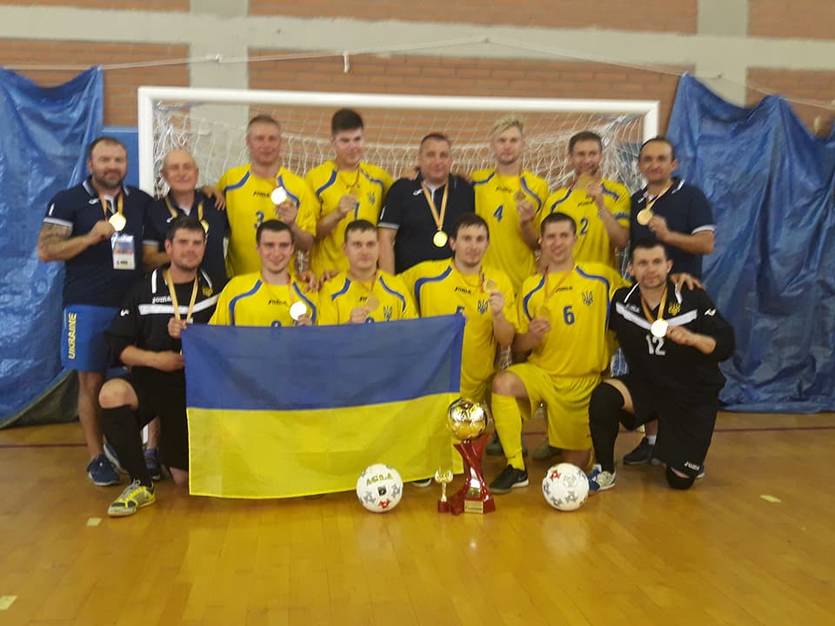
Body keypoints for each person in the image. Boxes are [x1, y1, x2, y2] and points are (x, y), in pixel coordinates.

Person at [37, 136, 152, 486]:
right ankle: (96, 457)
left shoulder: (141, 201)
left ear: (126, 164)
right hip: (85, 305)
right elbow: (46, 250)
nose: (112, 166)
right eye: (105, 159)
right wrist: (89, 238)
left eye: (118, 160)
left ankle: (123, 445)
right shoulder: (68, 200)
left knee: (133, 378)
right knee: (89, 381)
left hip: (131, 306)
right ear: (90, 164)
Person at [489, 212, 622, 494]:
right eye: (551, 236)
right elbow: (517, 345)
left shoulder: (601, 278)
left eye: (564, 236)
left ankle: (560, 439)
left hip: (582, 382)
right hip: (543, 374)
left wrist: (676, 278)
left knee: (574, 470)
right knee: (502, 383)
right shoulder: (531, 286)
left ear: (575, 239)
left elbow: (639, 294)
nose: (557, 242)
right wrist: (532, 336)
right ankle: (516, 466)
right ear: (541, 241)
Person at [587, 239, 734, 492]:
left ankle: (684, 453)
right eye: (642, 263)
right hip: (649, 387)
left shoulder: (692, 297)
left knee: (679, 481)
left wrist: (693, 339)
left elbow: (726, 344)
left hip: (692, 394)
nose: (650, 269)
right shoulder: (622, 301)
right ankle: (605, 471)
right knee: (604, 395)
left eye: (657, 262)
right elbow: (607, 338)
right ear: (631, 269)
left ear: (669, 266)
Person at [98, 216, 219, 516]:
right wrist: (157, 360)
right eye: (183, 242)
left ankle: (162, 452)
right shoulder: (144, 289)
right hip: (152, 382)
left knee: (183, 480)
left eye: (197, 243)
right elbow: (119, 347)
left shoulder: (217, 289)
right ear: (168, 246)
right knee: (111, 393)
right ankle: (141, 482)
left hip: (195, 391)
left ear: (204, 247)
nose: (190, 249)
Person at [401, 213, 517, 483]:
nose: (473, 246)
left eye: (479, 239)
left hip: (473, 393)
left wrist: (499, 315)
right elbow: (387, 288)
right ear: (453, 243)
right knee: (432, 469)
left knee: (462, 469)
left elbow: (506, 340)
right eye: (466, 239)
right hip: (432, 390)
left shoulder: (499, 282)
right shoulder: (424, 275)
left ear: (487, 244)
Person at [623, 136, 716, 465]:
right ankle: (651, 442)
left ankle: (684, 447)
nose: (654, 165)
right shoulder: (636, 201)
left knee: (681, 373)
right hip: (646, 299)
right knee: (647, 368)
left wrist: (668, 236)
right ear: (639, 165)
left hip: (682, 298)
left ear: (673, 164)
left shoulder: (692, 196)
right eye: (647, 159)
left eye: (661, 158)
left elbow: (706, 244)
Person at [215, 114, 315, 277]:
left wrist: (292, 226)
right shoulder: (230, 180)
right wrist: (205, 188)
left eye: (272, 139)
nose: (266, 145)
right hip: (237, 281)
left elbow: (307, 245)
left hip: (280, 285)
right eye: (259, 138)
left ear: (281, 142)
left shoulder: (298, 187)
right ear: (248, 141)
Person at [301, 109, 393, 279]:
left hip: (366, 280)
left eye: (357, 139)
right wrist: (337, 214)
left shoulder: (380, 178)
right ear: (333, 142)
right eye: (345, 141)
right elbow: (309, 236)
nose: (352, 147)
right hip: (327, 279)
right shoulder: (315, 179)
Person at [471, 115, 548, 292]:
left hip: (522, 279)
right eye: (502, 140)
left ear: (523, 144)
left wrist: (526, 223)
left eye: (513, 140)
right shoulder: (477, 181)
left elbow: (539, 243)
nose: (507, 146)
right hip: (482, 279)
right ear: (492, 145)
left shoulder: (538, 186)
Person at [378, 133, 474, 274]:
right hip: (409, 280)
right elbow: (385, 238)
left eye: (443, 155)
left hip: (454, 282)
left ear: (451, 160)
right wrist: (389, 283)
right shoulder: (401, 189)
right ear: (419, 159)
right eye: (430, 155)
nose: (437, 161)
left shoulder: (465, 190)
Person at [540, 131, 630, 270]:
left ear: (601, 156)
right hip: (566, 279)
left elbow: (622, 242)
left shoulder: (617, 193)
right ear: (570, 158)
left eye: (592, 154)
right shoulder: (556, 201)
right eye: (581, 154)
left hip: (603, 279)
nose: (587, 160)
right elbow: (546, 250)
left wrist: (601, 207)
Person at [143, 149, 229, 289]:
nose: (182, 173)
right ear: (164, 175)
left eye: (187, 167)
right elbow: (148, 260)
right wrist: (181, 254)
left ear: (196, 173)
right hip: (171, 294)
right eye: (174, 168)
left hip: (216, 292)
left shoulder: (217, 204)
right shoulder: (154, 210)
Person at [210, 220, 317, 327]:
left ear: (292, 249)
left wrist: (311, 333)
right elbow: (213, 334)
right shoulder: (236, 288)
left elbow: (323, 335)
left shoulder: (308, 290)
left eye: (283, 245)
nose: (276, 253)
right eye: (269, 245)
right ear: (258, 248)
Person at [319, 219, 415, 325]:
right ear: (345, 249)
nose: (364, 252)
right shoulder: (331, 291)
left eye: (370, 244)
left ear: (378, 247)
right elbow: (324, 335)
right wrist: (348, 326)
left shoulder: (397, 287)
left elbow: (413, 331)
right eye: (357, 245)